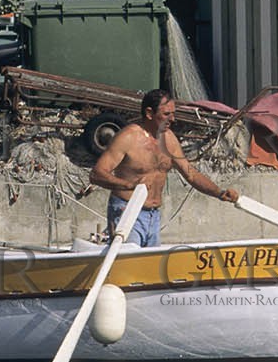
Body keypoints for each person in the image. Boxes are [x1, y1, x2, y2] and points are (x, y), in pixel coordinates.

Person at [87, 89, 239, 247]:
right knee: (131, 265)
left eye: (173, 113)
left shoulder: (169, 139)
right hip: (127, 211)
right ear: (149, 113)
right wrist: (129, 185)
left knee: (150, 267)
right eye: (166, 114)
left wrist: (220, 193)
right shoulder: (128, 137)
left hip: (154, 216)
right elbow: (97, 174)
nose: (172, 119)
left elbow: (191, 174)